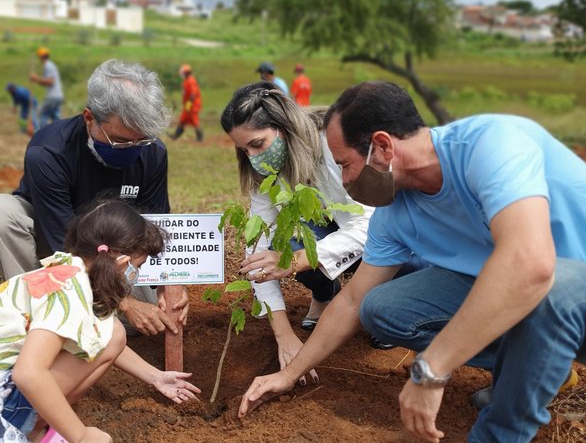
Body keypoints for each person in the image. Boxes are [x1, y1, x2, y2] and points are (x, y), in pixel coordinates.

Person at [238, 81, 586, 443]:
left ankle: (504, 425)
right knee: (381, 307)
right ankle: (531, 366)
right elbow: (352, 300)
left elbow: (530, 266)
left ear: (383, 147)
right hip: (523, 292)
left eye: (344, 165)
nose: (342, 180)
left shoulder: (492, 144)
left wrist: (431, 369)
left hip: (570, 286)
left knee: (551, 288)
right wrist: (289, 373)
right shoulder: (396, 213)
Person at [0, 200, 201, 443]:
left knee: (113, 332)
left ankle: (30, 424)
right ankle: (21, 426)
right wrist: (80, 435)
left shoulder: (67, 269)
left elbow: (104, 338)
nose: (135, 275)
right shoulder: (67, 294)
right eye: (137, 267)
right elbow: (28, 373)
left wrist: (157, 378)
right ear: (122, 263)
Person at [0, 59, 188, 338]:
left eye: (141, 140)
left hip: (116, 251)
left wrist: (167, 284)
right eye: (121, 141)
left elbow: (154, 225)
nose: (132, 150)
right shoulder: (49, 153)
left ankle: (89, 312)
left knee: (148, 322)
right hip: (55, 244)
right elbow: (60, 245)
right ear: (90, 118)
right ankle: (38, 310)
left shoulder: (153, 152)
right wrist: (124, 302)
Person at [220, 81, 374, 383]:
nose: (252, 157)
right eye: (243, 149)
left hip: (384, 232)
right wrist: (285, 336)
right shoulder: (264, 173)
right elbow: (259, 245)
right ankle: (325, 294)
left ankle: (376, 300)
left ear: (284, 127)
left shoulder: (333, 146)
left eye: (258, 144)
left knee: (389, 293)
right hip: (333, 230)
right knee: (284, 242)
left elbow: (372, 226)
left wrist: (296, 261)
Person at [30, 47, 64, 129]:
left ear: (40, 57)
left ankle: (42, 136)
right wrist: (37, 80)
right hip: (58, 96)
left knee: (43, 114)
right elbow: (47, 83)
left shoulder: (47, 66)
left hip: (52, 97)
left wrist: (36, 78)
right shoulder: (51, 65)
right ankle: (59, 137)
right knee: (55, 117)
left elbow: (50, 82)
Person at [170, 64, 203, 142]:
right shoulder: (187, 81)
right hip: (188, 106)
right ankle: (175, 136)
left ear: (186, 73)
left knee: (195, 122)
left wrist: (188, 105)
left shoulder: (191, 81)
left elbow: (193, 95)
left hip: (193, 106)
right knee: (182, 120)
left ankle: (200, 138)